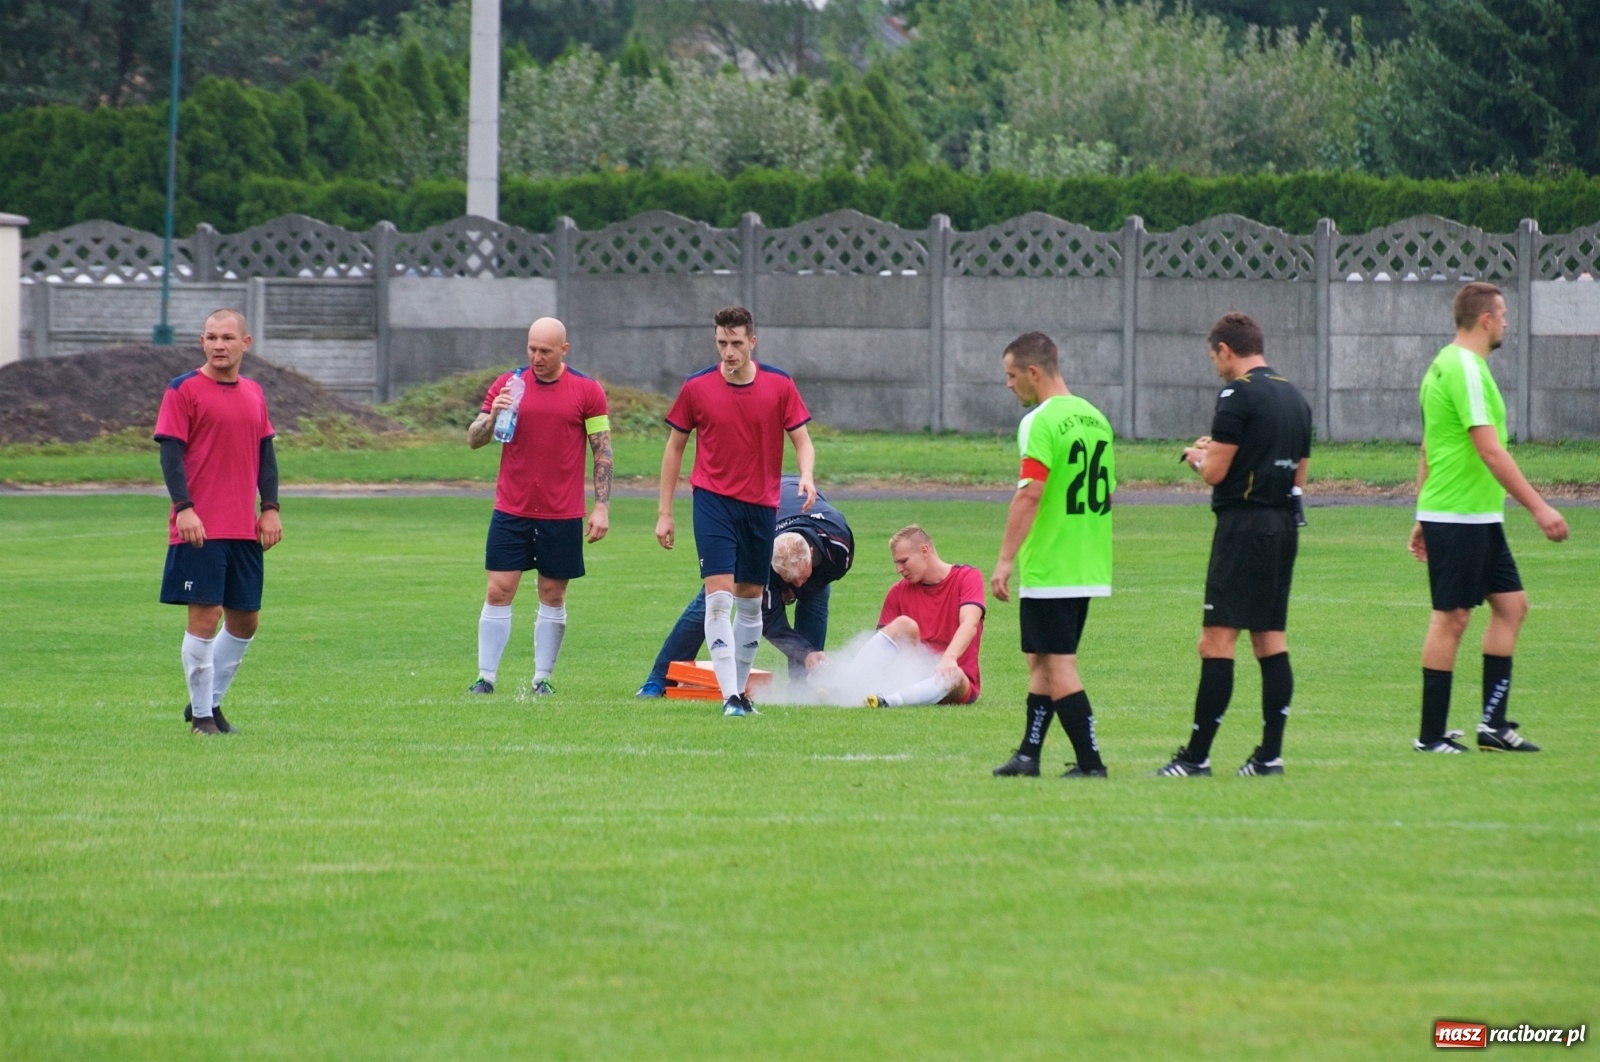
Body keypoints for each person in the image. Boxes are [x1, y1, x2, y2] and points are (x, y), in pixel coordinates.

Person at [1409, 282, 1568, 753]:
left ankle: (1492, 727)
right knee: (1452, 618)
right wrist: (1539, 507)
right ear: (1485, 320)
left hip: (1473, 517)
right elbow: (1489, 449)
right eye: (1503, 315)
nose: (1506, 323)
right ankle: (1431, 736)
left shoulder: (1446, 363)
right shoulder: (1464, 370)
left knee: (1512, 606)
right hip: (1459, 516)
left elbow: (1429, 447)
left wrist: (1421, 513)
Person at [1158, 311, 1312, 778]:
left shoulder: (1235, 394)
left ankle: (1196, 758)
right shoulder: (1294, 396)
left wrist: (1196, 455)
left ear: (1226, 350)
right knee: (1270, 639)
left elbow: (1215, 472)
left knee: (1216, 641)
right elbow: (1299, 475)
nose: (1216, 366)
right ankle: (1270, 756)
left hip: (1243, 528)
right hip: (1284, 524)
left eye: (1214, 357)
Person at [656, 306, 816, 717]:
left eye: (736, 344)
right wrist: (665, 512)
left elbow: (802, 441)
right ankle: (730, 697)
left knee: (749, 603)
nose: (728, 352)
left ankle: (740, 694)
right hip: (713, 502)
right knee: (719, 599)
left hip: (761, 507)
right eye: (722, 343)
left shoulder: (779, 384)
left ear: (752, 343)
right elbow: (674, 448)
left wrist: (807, 475)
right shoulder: (697, 387)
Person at [989, 332, 1114, 779]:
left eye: (1011, 375)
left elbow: (1031, 493)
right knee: (1040, 660)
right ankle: (1028, 755)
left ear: (1033, 372)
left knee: (1058, 665)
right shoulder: (1095, 417)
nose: (1008, 384)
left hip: (1052, 562)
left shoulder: (1040, 421)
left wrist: (1005, 560)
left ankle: (1091, 763)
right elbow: (1107, 494)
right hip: (1087, 561)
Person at [466, 317, 611, 696]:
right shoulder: (508, 384)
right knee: (498, 589)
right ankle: (486, 677)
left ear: (564, 350)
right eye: (531, 349)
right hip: (511, 508)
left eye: (545, 351)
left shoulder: (587, 390)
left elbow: (603, 452)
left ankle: (542, 677)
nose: (536, 357)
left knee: (552, 592)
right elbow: (474, 439)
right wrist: (494, 414)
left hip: (561, 513)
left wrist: (601, 507)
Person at [155, 309, 282, 736]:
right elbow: (170, 455)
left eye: (227, 338)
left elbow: (266, 455)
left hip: (243, 528)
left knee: (246, 620)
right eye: (210, 337)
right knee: (205, 617)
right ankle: (203, 718)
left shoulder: (254, 392)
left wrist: (270, 508)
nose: (218, 345)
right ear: (202, 341)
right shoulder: (182, 390)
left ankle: (208, 704)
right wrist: (184, 507)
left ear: (245, 343)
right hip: (200, 527)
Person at [635, 474, 853, 696]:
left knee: (815, 598)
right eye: (789, 579)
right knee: (711, 600)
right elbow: (770, 622)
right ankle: (659, 679)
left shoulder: (839, 543)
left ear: (813, 553)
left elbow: (829, 574)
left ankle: (803, 686)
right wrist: (805, 651)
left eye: (801, 576)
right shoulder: (761, 550)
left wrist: (796, 590)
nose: (798, 584)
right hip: (754, 512)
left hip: (789, 495)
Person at [860, 526, 985, 707]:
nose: (898, 569)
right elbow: (881, 646)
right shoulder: (897, 591)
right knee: (903, 624)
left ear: (924, 551)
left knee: (953, 675)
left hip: (956, 680)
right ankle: (843, 683)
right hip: (910, 677)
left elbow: (970, 623)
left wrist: (949, 658)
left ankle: (888, 702)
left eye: (903, 561)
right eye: (896, 563)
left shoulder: (967, 577)